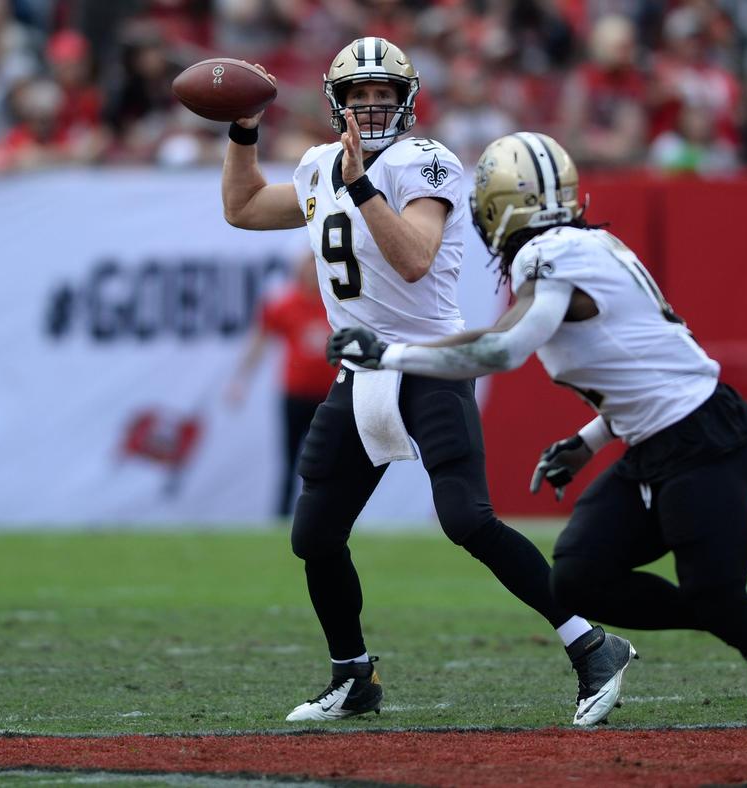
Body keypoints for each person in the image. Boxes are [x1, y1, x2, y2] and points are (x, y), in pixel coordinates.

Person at [327, 132, 747, 775]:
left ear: (496, 208)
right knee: (579, 577)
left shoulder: (551, 256)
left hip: (701, 444)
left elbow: (503, 350)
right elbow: (642, 362)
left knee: (718, 601)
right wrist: (588, 441)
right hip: (661, 441)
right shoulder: (589, 245)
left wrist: (391, 354)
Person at [219, 37, 634, 726]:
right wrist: (242, 128)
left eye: (384, 95)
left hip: (429, 359)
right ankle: (353, 676)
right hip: (361, 371)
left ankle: (591, 645)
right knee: (315, 535)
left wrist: (360, 185)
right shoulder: (321, 165)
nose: (372, 107)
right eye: (360, 95)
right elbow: (243, 208)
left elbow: (413, 258)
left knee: (466, 519)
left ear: (407, 102)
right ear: (337, 103)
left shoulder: (425, 161)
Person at [228, 251, 333, 517]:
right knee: (290, 461)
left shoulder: (336, 303)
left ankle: (326, 518)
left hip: (330, 397)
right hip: (295, 394)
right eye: (307, 267)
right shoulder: (284, 304)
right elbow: (259, 343)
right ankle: (282, 518)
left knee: (328, 461)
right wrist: (240, 380)